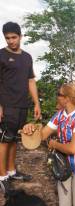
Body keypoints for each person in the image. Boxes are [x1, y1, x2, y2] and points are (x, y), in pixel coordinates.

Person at [23, 83, 75, 206]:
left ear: (66, 98)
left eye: (59, 94)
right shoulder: (60, 115)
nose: (57, 97)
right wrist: (30, 127)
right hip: (63, 167)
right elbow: (42, 135)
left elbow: (73, 149)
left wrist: (54, 144)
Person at [0, 22, 41, 193]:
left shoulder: (27, 57)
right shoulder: (1, 55)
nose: (10, 41)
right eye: (7, 38)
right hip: (7, 105)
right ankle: (2, 177)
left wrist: (36, 103)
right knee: (3, 140)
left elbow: (30, 80)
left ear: (20, 36)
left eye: (14, 37)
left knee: (14, 139)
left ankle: (11, 171)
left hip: (22, 105)